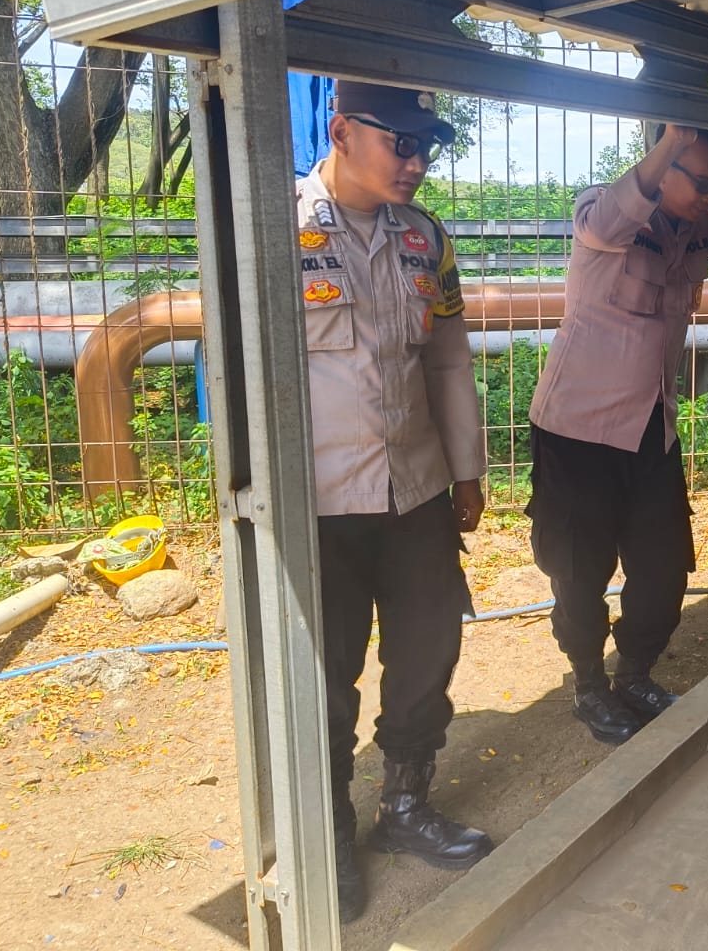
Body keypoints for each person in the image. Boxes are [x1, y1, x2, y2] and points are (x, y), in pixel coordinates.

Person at [526, 123, 708, 743]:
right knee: (579, 569)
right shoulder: (605, 209)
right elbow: (603, 226)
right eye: (701, 182)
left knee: (663, 565)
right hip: (577, 430)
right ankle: (589, 686)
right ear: (666, 161)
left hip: (650, 428)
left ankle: (635, 675)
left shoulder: (703, 225)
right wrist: (669, 141)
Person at [296, 80, 492, 922]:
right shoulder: (277, 230)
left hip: (414, 490)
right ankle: (328, 832)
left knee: (426, 651)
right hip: (319, 502)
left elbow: (446, 359)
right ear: (342, 131)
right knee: (326, 674)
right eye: (400, 143)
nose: (416, 162)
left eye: (426, 147)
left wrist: (466, 471)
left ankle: (405, 803)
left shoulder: (425, 237)